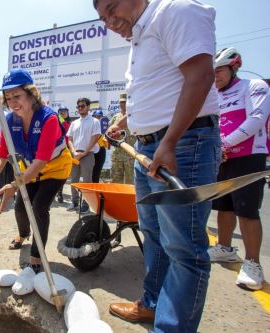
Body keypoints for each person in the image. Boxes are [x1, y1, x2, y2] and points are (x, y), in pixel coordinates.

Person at [95, 0, 220, 331]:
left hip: (182, 147)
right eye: (102, 17)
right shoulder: (140, 36)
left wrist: (169, 142)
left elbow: (200, 76)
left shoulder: (174, 11)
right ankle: (152, 305)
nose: (109, 21)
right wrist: (127, 122)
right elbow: (161, 90)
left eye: (111, 8)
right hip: (150, 150)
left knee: (184, 250)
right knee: (153, 234)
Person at [0, 69, 72, 272]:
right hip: (28, 168)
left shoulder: (49, 118)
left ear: (31, 93)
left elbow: (42, 160)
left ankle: (36, 256)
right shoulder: (10, 120)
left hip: (54, 168)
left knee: (38, 208)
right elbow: (1, 152)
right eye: (8, 98)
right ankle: (23, 234)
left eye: (17, 96)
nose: (12, 103)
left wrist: (12, 185)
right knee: (20, 207)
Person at [208, 48, 269, 290]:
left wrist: (223, 144)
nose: (215, 76)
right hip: (221, 158)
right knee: (223, 206)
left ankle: (253, 263)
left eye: (219, 71)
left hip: (248, 156)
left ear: (234, 67)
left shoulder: (254, 86)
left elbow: (256, 119)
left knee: (247, 210)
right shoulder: (213, 94)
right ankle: (225, 248)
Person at [66, 97, 101, 213]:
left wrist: (84, 153)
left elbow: (95, 139)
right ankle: (75, 202)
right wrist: (73, 152)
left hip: (88, 154)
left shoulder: (94, 121)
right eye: (78, 106)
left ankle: (86, 203)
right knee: (74, 179)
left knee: (87, 180)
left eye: (82, 106)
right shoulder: (74, 123)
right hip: (75, 154)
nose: (80, 108)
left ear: (88, 107)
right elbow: (69, 139)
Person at [109, 93, 136, 184]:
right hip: (117, 155)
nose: (122, 104)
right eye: (121, 102)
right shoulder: (115, 118)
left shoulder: (134, 117)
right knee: (116, 182)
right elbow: (109, 133)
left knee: (130, 183)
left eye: (124, 102)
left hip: (131, 155)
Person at [56, 105, 71, 203]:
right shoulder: (55, 122)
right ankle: (58, 193)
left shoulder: (71, 124)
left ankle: (59, 192)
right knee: (55, 173)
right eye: (60, 111)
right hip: (56, 151)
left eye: (64, 111)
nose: (62, 113)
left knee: (64, 173)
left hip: (67, 151)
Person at [91, 109, 107, 183]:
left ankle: (95, 188)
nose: (97, 118)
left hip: (101, 150)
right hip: (90, 149)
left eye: (99, 116)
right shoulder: (90, 125)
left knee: (97, 170)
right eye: (96, 116)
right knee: (89, 171)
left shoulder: (105, 126)